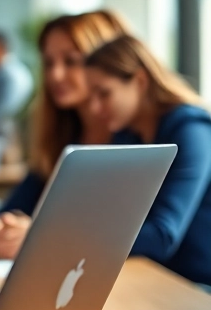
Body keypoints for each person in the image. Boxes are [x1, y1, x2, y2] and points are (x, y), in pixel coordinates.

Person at [0, 10, 129, 259]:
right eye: (48, 63)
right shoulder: (60, 141)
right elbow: (13, 210)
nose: (55, 75)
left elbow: (149, 234)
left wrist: (41, 237)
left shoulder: (139, 139)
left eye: (71, 61)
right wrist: (5, 230)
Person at [86, 36, 211, 285]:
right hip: (154, 278)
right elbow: (109, 217)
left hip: (196, 288)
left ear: (140, 81)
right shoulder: (128, 136)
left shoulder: (191, 130)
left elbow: (163, 236)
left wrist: (72, 241)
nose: (95, 108)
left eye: (104, 94)